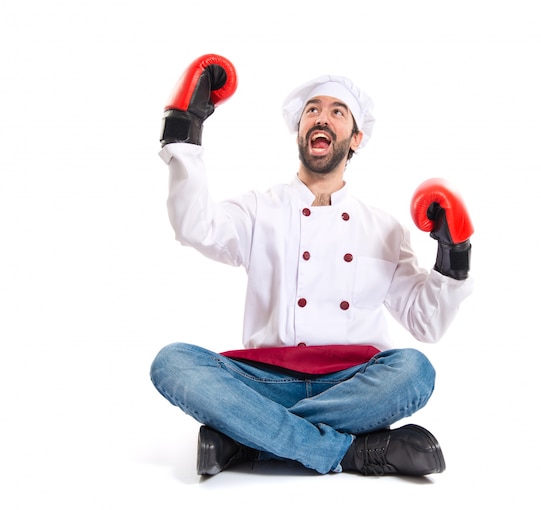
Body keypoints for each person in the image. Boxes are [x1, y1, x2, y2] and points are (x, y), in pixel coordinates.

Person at [150, 54, 474, 478]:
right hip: (264, 381)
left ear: (355, 138)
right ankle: (351, 452)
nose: (322, 118)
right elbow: (195, 225)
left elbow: (427, 323)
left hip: (353, 385)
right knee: (171, 363)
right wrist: (184, 125)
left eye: (337, 112)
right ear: (300, 130)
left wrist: (455, 253)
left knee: (414, 372)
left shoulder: (384, 228)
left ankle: (248, 437)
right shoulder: (259, 210)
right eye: (312, 111)